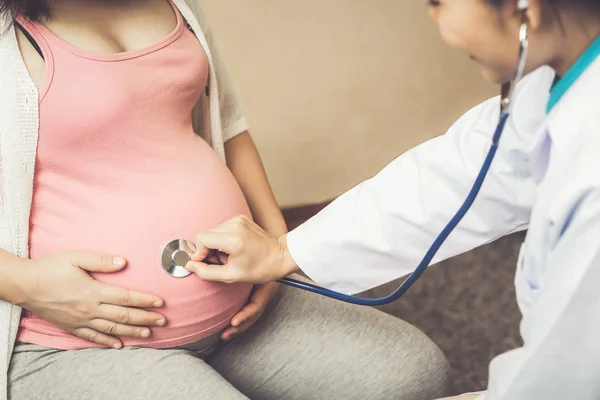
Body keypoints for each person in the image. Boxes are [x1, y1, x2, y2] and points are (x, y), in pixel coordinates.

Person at [0, 0, 451, 399]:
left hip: (235, 313)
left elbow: (229, 124)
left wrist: (277, 248)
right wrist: (29, 285)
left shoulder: (179, 5)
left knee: (411, 373)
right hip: (78, 341)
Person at [186, 0, 600, 399]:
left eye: (439, 1)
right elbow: (457, 175)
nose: (435, 19)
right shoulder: (559, 84)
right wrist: (283, 251)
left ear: (526, 7)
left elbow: (564, 379)